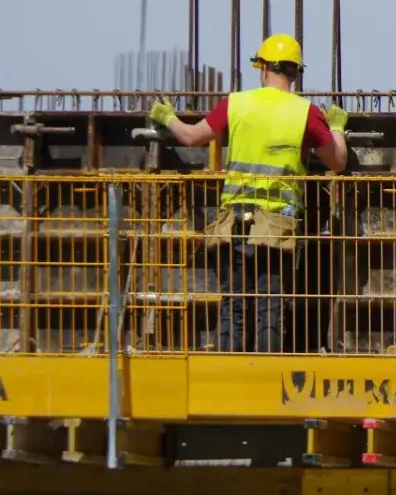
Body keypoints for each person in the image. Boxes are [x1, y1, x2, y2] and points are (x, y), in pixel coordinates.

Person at [148, 33, 348, 352]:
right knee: (270, 308)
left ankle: (231, 376)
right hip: (277, 227)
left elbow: (189, 137)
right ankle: (266, 379)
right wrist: (336, 127)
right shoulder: (307, 113)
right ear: (295, 73)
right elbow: (337, 162)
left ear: (264, 69)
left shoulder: (236, 104)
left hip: (234, 224)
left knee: (233, 307)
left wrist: (166, 116)